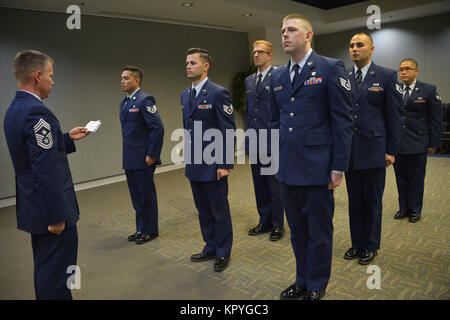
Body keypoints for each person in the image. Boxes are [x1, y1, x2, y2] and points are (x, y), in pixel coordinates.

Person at [271, 14, 353, 300]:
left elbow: (342, 121)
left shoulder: (330, 68)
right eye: (282, 31)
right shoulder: (278, 75)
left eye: (291, 30)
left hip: (318, 168)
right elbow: (276, 121)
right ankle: (301, 280)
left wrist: (338, 167)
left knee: (318, 233)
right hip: (287, 168)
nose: (285, 35)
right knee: (297, 233)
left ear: (308, 36)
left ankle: (316, 285)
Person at [3, 50, 90, 299]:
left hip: (34, 207)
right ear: (37, 76)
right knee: (57, 280)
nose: (52, 81)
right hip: (51, 214)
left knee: (46, 272)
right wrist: (57, 216)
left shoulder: (15, 109)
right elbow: (46, 169)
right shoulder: (37, 112)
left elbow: (33, 154)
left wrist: (66, 138)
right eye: (50, 75)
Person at [344, 33, 403, 265]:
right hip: (350, 151)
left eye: (359, 45)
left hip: (375, 149)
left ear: (372, 48)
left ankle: (370, 245)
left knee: (372, 201)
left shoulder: (387, 76)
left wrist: (391, 150)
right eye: (351, 46)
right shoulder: (344, 76)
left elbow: (395, 116)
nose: (354, 49)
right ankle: (356, 243)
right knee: (354, 201)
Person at [181, 48, 236, 272]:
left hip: (214, 163)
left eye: (193, 63)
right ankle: (210, 246)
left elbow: (228, 130)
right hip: (195, 162)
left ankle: (223, 252)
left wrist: (224, 163)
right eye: (187, 63)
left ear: (206, 66)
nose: (188, 66)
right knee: (202, 209)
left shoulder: (218, 93)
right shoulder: (185, 94)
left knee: (218, 210)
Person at [393, 58, 442, 223]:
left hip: (418, 141)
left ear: (416, 71)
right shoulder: (394, 89)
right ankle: (403, 208)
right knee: (400, 177)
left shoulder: (428, 89)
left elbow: (436, 118)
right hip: (398, 142)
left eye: (407, 69)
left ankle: (415, 209)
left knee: (416, 178)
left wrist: (434, 142)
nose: (403, 72)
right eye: (401, 69)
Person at [245, 40, 285, 241]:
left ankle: (278, 224)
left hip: (272, 139)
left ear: (270, 55)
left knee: (274, 185)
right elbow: (249, 112)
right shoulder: (249, 80)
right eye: (254, 52)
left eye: (261, 52)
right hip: (254, 139)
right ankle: (265, 220)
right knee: (259, 184)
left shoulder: (278, 76)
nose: (256, 55)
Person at [120, 66, 164, 244]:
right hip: (130, 157)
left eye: (126, 78)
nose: (122, 81)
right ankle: (140, 229)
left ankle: (151, 230)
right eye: (121, 78)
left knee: (146, 196)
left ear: (137, 81)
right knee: (136, 196)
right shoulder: (124, 102)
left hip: (144, 158)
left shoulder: (145, 100)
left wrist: (152, 155)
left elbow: (158, 129)